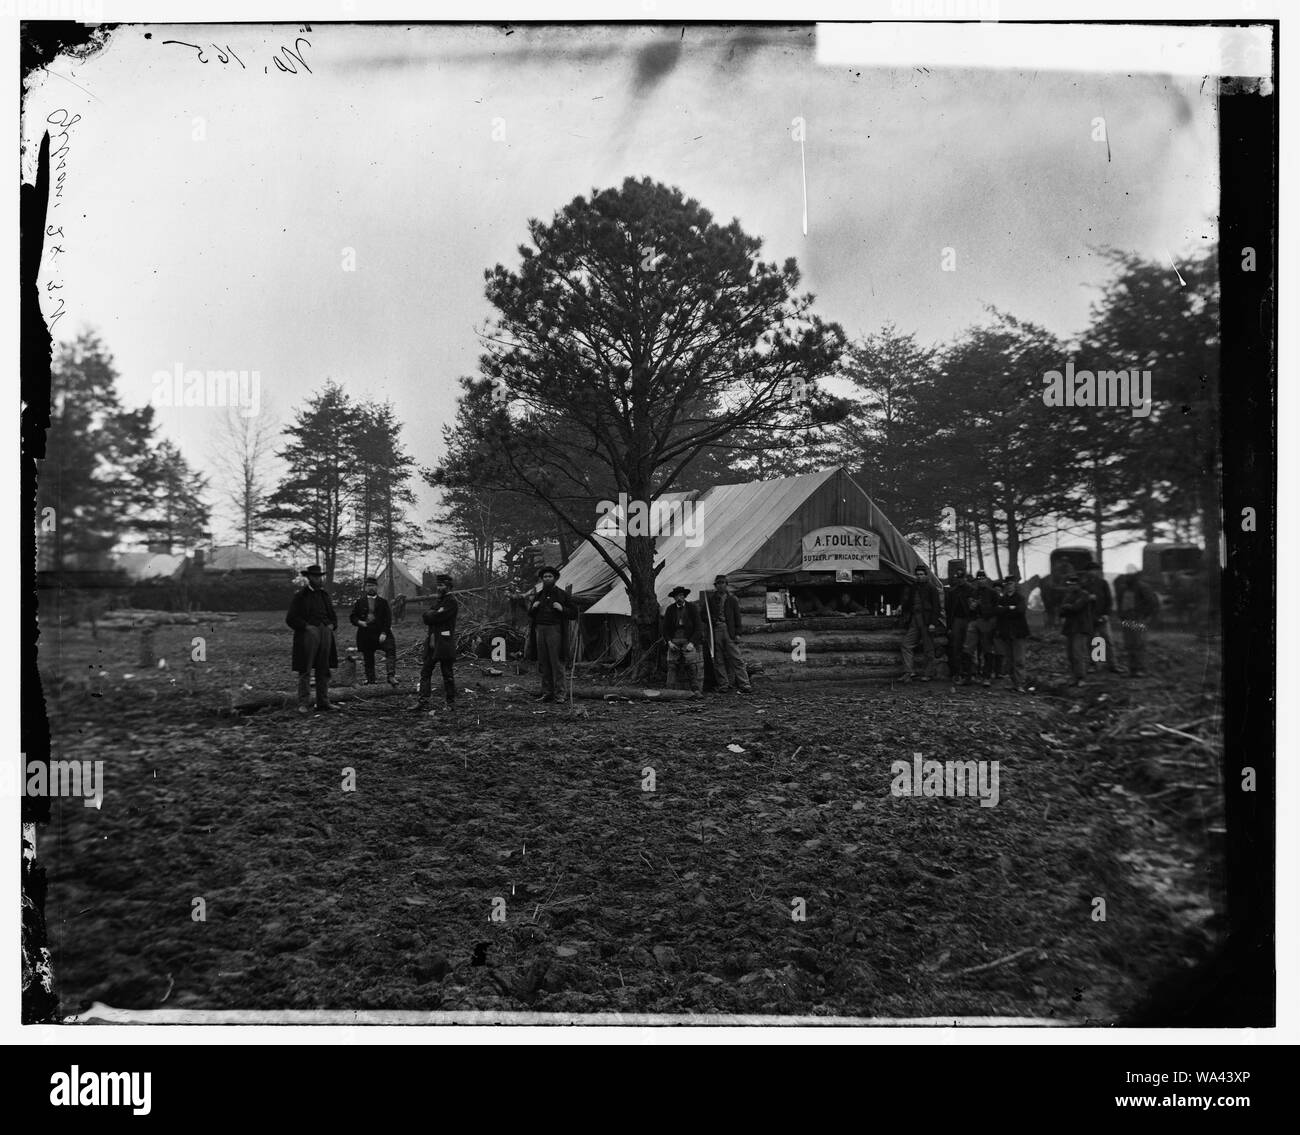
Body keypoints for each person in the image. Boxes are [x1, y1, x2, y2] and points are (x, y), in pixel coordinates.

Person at [286, 564, 339, 714]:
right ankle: (303, 703)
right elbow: (291, 618)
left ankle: (323, 701)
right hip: (307, 635)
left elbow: (333, 616)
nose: (318, 579)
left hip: (325, 634)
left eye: (319, 576)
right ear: (309, 578)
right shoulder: (300, 596)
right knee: (305, 669)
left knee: (324, 668)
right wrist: (306, 627)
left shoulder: (324, 595)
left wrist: (331, 625)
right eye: (315, 577)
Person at [527, 566, 577, 703]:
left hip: (555, 630)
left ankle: (560, 694)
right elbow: (530, 614)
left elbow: (574, 613)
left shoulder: (562, 595)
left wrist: (562, 609)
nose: (547, 578)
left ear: (555, 578)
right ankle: (547, 693)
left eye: (550, 576)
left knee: (557, 662)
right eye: (545, 577)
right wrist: (533, 607)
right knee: (543, 662)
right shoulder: (539, 595)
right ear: (542, 579)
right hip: (540, 630)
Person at [413, 574, 457, 714]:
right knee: (425, 672)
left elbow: (437, 617)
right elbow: (426, 617)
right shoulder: (439, 601)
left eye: (442, 585)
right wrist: (433, 613)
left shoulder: (451, 601)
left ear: (449, 586)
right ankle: (423, 702)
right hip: (432, 642)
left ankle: (450, 703)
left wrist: (433, 614)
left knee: (447, 674)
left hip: (444, 642)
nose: (439, 588)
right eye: (438, 585)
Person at [702, 574, 751, 694]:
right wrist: (712, 620)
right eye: (718, 583)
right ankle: (723, 684)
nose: (721, 585)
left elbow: (737, 617)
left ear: (726, 584)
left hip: (730, 631)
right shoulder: (710, 600)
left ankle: (744, 684)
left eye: (723, 583)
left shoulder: (732, 599)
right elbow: (703, 615)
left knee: (736, 657)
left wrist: (738, 633)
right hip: (716, 630)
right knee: (718, 659)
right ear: (715, 585)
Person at [350, 576, 398, 687]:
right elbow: (352, 617)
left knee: (390, 649)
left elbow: (388, 619)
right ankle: (371, 679)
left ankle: (391, 676)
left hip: (381, 632)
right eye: (368, 586)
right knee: (368, 656)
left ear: (377, 587)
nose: (370, 588)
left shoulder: (383, 602)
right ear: (365, 588)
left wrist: (384, 633)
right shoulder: (359, 602)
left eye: (372, 586)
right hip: (366, 633)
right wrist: (359, 622)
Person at [1114, 567, 1159, 677]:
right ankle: (1132, 669)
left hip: (1138, 619)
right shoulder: (1123, 588)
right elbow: (1119, 603)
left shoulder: (1142, 587)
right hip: (1127, 620)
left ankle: (1140, 669)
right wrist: (1121, 616)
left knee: (1138, 644)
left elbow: (1152, 602)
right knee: (1129, 644)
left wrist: (1145, 616)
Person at [899, 564, 940, 682]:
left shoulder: (931, 588)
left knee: (928, 649)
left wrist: (933, 623)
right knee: (906, 644)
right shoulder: (914, 587)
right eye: (917, 575)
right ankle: (909, 672)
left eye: (921, 574)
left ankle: (928, 673)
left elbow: (936, 607)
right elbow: (909, 603)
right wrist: (901, 607)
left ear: (926, 575)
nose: (919, 577)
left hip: (926, 621)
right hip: (915, 620)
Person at [661, 586, 702, 694]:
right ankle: (669, 691)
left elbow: (698, 627)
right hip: (674, 640)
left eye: (681, 596)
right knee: (671, 665)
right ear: (674, 598)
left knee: (692, 664)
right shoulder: (670, 609)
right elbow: (665, 628)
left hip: (688, 640)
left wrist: (692, 643)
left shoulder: (692, 608)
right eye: (677, 596)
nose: (679, 598)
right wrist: (669, 642)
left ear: (684, 596)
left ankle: (695, 690)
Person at [1058, 571, 1096, 687]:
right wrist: (1068, 607)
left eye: (1073, 584)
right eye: (1069, 584)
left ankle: (1081, 677)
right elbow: (1061, 611)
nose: (1071, 586)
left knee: (1078, 654)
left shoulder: (1084, 594)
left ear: (1078, 585)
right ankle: (1074, 676)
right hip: (1070, 628)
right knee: (1070, 654)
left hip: (1080, 628)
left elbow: (1076, 607)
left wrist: (1068, 607)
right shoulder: (1068, 596)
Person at [993, 574, 1030, 691]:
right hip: (1006, 633)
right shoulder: (1002, 599)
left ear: (1015, 585)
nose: (1009, 586)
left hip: (1019, 632)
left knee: (1019, 660)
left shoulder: (1020, 598)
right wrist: (1010, 608)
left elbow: (1020, 610)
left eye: (1011, 584)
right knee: (1009, 659)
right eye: (1007, 584)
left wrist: (1006, 610)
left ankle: (1020, 683)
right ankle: (1013, 682)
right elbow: (998, 611)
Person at [1083, 560, 1121, 673]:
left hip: (1102, 617)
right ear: (1087, 572)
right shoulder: (1084, 585)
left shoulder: (1103, 583)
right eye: (1090, 570)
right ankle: (1095, 665)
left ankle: (1113, 665)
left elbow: (1109, 600)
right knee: (1093, 641)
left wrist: (1106, 614)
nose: (1093, 572)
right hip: (1090, 618)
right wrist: (1088, 598)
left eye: (1095, 570)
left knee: (1108, 641)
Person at [964, 570, 999, 687]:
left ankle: (986, 677)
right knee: (968, 649)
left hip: (987, 622)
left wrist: (984, 609)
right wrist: (972, 607)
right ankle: (969, 676)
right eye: (979, 579)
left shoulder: (993, 593)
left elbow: (997, 610)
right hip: (975, 621)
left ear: (986, 579)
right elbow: (969, 608)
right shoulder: (973, 592)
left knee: (987, 650)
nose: (981, 580)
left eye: (983, 578)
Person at [945, 564, 973, 685]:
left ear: (965, 578)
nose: (960, 580)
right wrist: (949, 626)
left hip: (968, 620)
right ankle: (958, 673)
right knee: (956, 647)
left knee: (967, 647)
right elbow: (948, 610)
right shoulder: (952, 592)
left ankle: (969, 674)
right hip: (956, 620)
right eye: (958, 578)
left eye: (962, 578)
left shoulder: (972, 590)